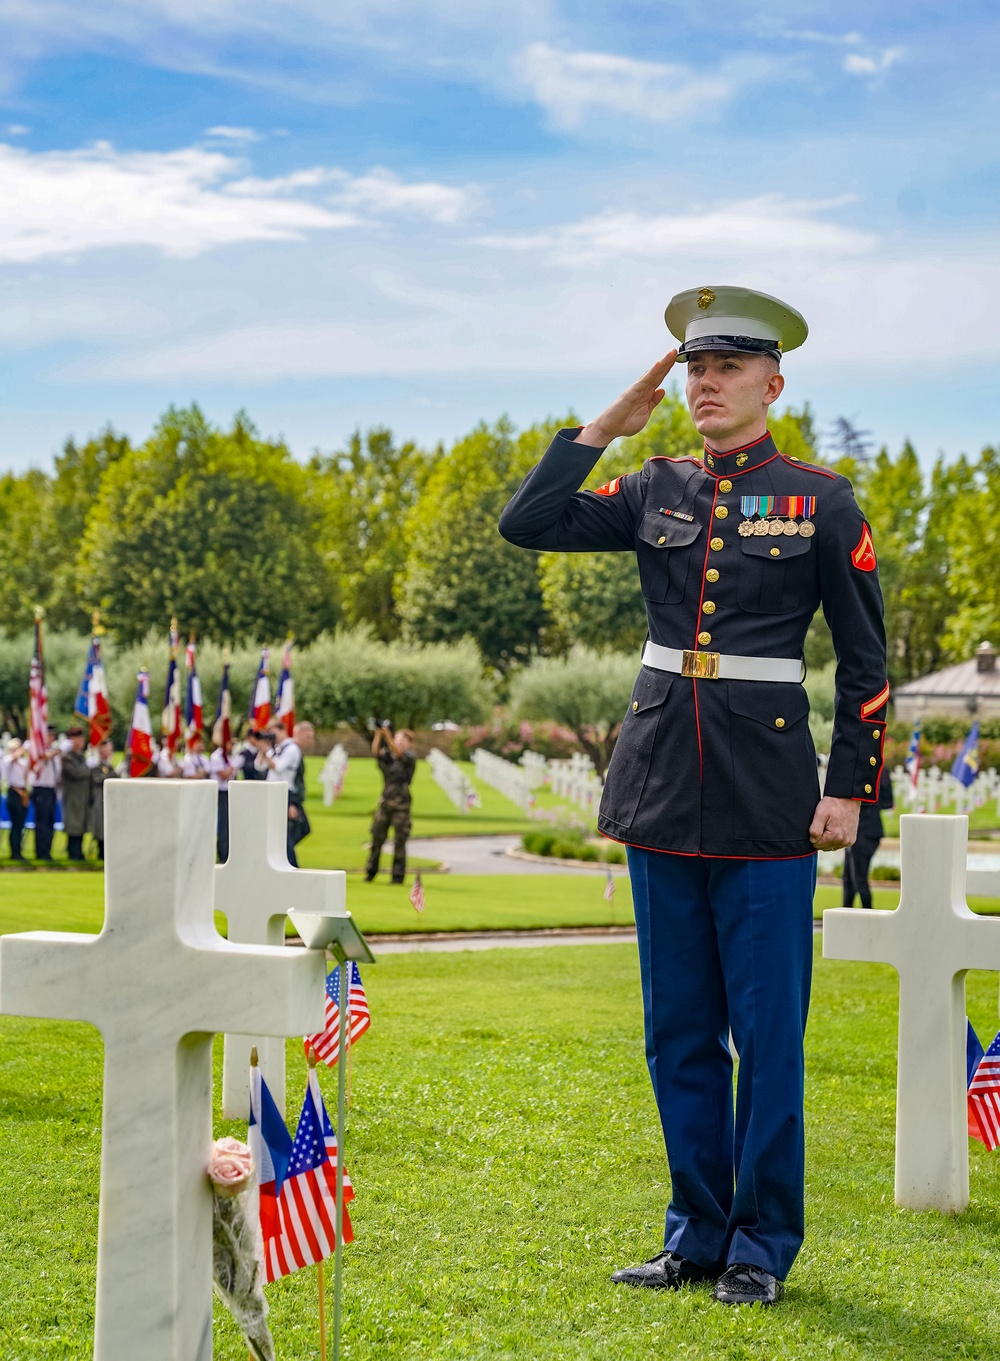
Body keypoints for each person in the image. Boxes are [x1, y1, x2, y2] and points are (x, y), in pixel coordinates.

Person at [498, 285, 887, 1307]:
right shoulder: (653, 485)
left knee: (765, 1036)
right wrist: (600, 429)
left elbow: (865, 662)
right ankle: (694, 1235)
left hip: (766, 794)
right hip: (662, 780)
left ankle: (759, 1247)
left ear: (772, 382)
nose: (703, 384)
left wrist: (848, 789)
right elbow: (527, 521)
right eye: (690, 369)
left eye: (723, 369)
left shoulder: (819, 498)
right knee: (676, 1030)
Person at [366, 725, 416, 884]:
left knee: (400, 842)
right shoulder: (389, 757)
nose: (400, 741)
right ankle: (371, 872)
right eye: (398, 738)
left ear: (409, 743)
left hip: (401, 805)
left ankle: (397, 876)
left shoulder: (409, 758)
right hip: (385, 803)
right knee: (377, 838)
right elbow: (376, 752)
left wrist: (387, 735)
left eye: (404, 739)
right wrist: (378, 735)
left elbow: (398, 752)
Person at [258, 718, 308, 866]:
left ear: (282, 730)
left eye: (273, 733)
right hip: (272, 793)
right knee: (278, 835)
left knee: (284, 836)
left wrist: (266, 755)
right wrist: (263, 751)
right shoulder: (276, 748)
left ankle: (291, 866)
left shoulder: (291, 749)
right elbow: (259, 767)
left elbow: (278, 767)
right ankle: (284, 864)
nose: (272, 736)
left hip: (285, 794)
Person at [842, 771, 894, 908]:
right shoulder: (882, 772)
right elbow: (888, 803)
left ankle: (868, 915)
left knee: (858, 879)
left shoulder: (863, 773)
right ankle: (846, 914)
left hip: (862, 831)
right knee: (848, 878)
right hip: (869, 830)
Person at [61, 724, 92, 861]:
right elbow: (76, 773)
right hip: (73, 796)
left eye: (81, 738)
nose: (80, 741)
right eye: (77, 738)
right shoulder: (67, 757)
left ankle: (78, 851)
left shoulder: (82, 756)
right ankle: (73, 852)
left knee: (81, 825)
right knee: (74, 825)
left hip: (83, 796)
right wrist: (88, 767)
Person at [31, 725, 61, 862]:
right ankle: (41, 851)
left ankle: (47, 850)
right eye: (49, 735)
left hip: (52, 789)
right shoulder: (37, 750)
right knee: (42, 821)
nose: (52, 738)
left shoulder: (53, 752)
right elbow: (43, 758)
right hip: (41, 788)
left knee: (50, 821)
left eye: (53, 735)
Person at [209, 733, 237, 862]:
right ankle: (222, 854)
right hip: (219, 792)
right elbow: (224, 775)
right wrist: (232, 768)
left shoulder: (228, 757)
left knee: (228, 824)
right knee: (222, 825)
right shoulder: (216, 757)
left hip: (228, 792)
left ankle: (227, 851)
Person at [2, 737, 30, 861]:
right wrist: (24, 747)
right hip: (13, 792)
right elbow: (11, 759)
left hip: (23, 793)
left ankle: (19, 851)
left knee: (20, 825)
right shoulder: (7, 760)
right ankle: (15, 853)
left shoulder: (23, 762)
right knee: (16, 825)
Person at [89, 737, 116, 861]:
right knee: (100, 826)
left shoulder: (109, 766)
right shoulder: (96, 766)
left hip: (110, 801)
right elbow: (98, 779)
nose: (109, 752)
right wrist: (111, 775)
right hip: (99, 800)